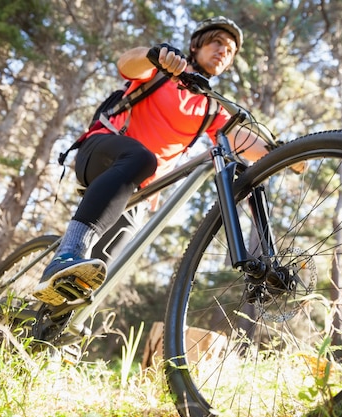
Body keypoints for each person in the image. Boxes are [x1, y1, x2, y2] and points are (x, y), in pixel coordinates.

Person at [33, 16, 268, 306]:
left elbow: (245, 141)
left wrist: (287, 152)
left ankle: (46, 322)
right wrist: (153, 55)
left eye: (230, 51)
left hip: (139, 194)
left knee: (98, 267)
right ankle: (67, 251)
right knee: (143, 159)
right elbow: (127, 63)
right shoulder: (162, 73)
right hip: (100, 153)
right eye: (217, 42)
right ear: (196, 46)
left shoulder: (211, 108)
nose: (223, 51)